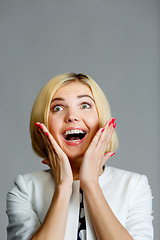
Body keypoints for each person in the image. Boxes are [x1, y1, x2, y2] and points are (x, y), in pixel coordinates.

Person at [6, 73, 153, 240]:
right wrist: (63, 187)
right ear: (43, 124)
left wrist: (91, 184)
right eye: (58, 108)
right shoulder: (25, 189)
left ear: (101, 118)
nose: (71, 116)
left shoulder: (134, 185)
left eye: (85, 105)